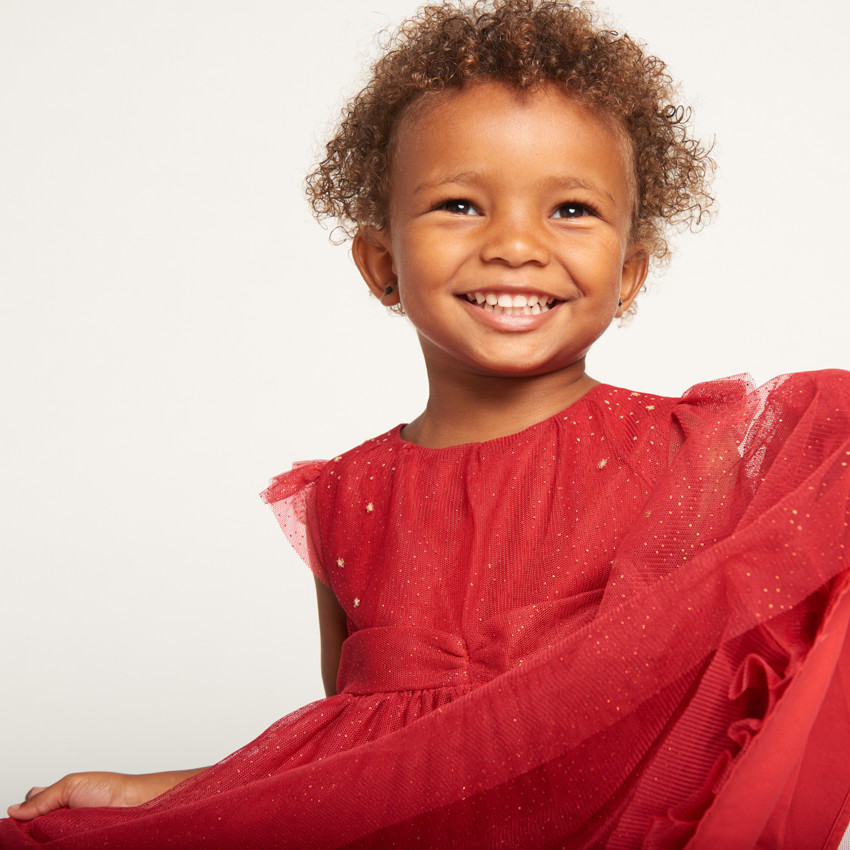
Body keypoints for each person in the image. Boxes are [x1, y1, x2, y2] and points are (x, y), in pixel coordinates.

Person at [3, 0, 849, 846]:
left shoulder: (693, 465)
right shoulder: (345, 499)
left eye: (570, 211)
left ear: (629, 274)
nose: (516, 245)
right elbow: (359, 767)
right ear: (382, 265)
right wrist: (148, 794)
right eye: (459, 205)